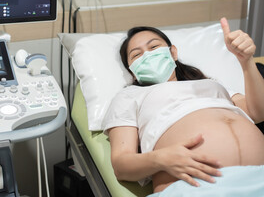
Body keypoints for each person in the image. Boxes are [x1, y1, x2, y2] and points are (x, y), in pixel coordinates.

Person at [102, 17, 264, 195]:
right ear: (132, 71)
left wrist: (246, 61)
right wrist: (160, 159)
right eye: (136, 54)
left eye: (154, 47)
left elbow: (258, 113)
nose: (147, 55)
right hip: (198, 186)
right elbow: (121, 165)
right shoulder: (129, 96)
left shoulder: (210, 84)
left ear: (173, 53)